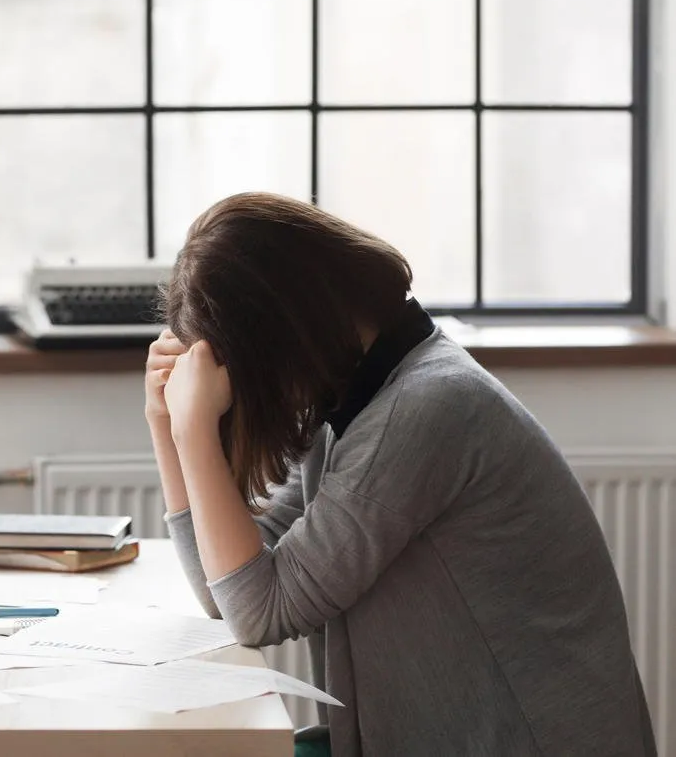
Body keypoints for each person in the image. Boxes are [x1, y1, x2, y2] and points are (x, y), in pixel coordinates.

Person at [146, 192, 656, 757]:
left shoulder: (421, 409)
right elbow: (229, 588)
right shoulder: (359, 399)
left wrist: (194, 432)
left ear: (282, 336)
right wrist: (167, 422)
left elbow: (256, 610)